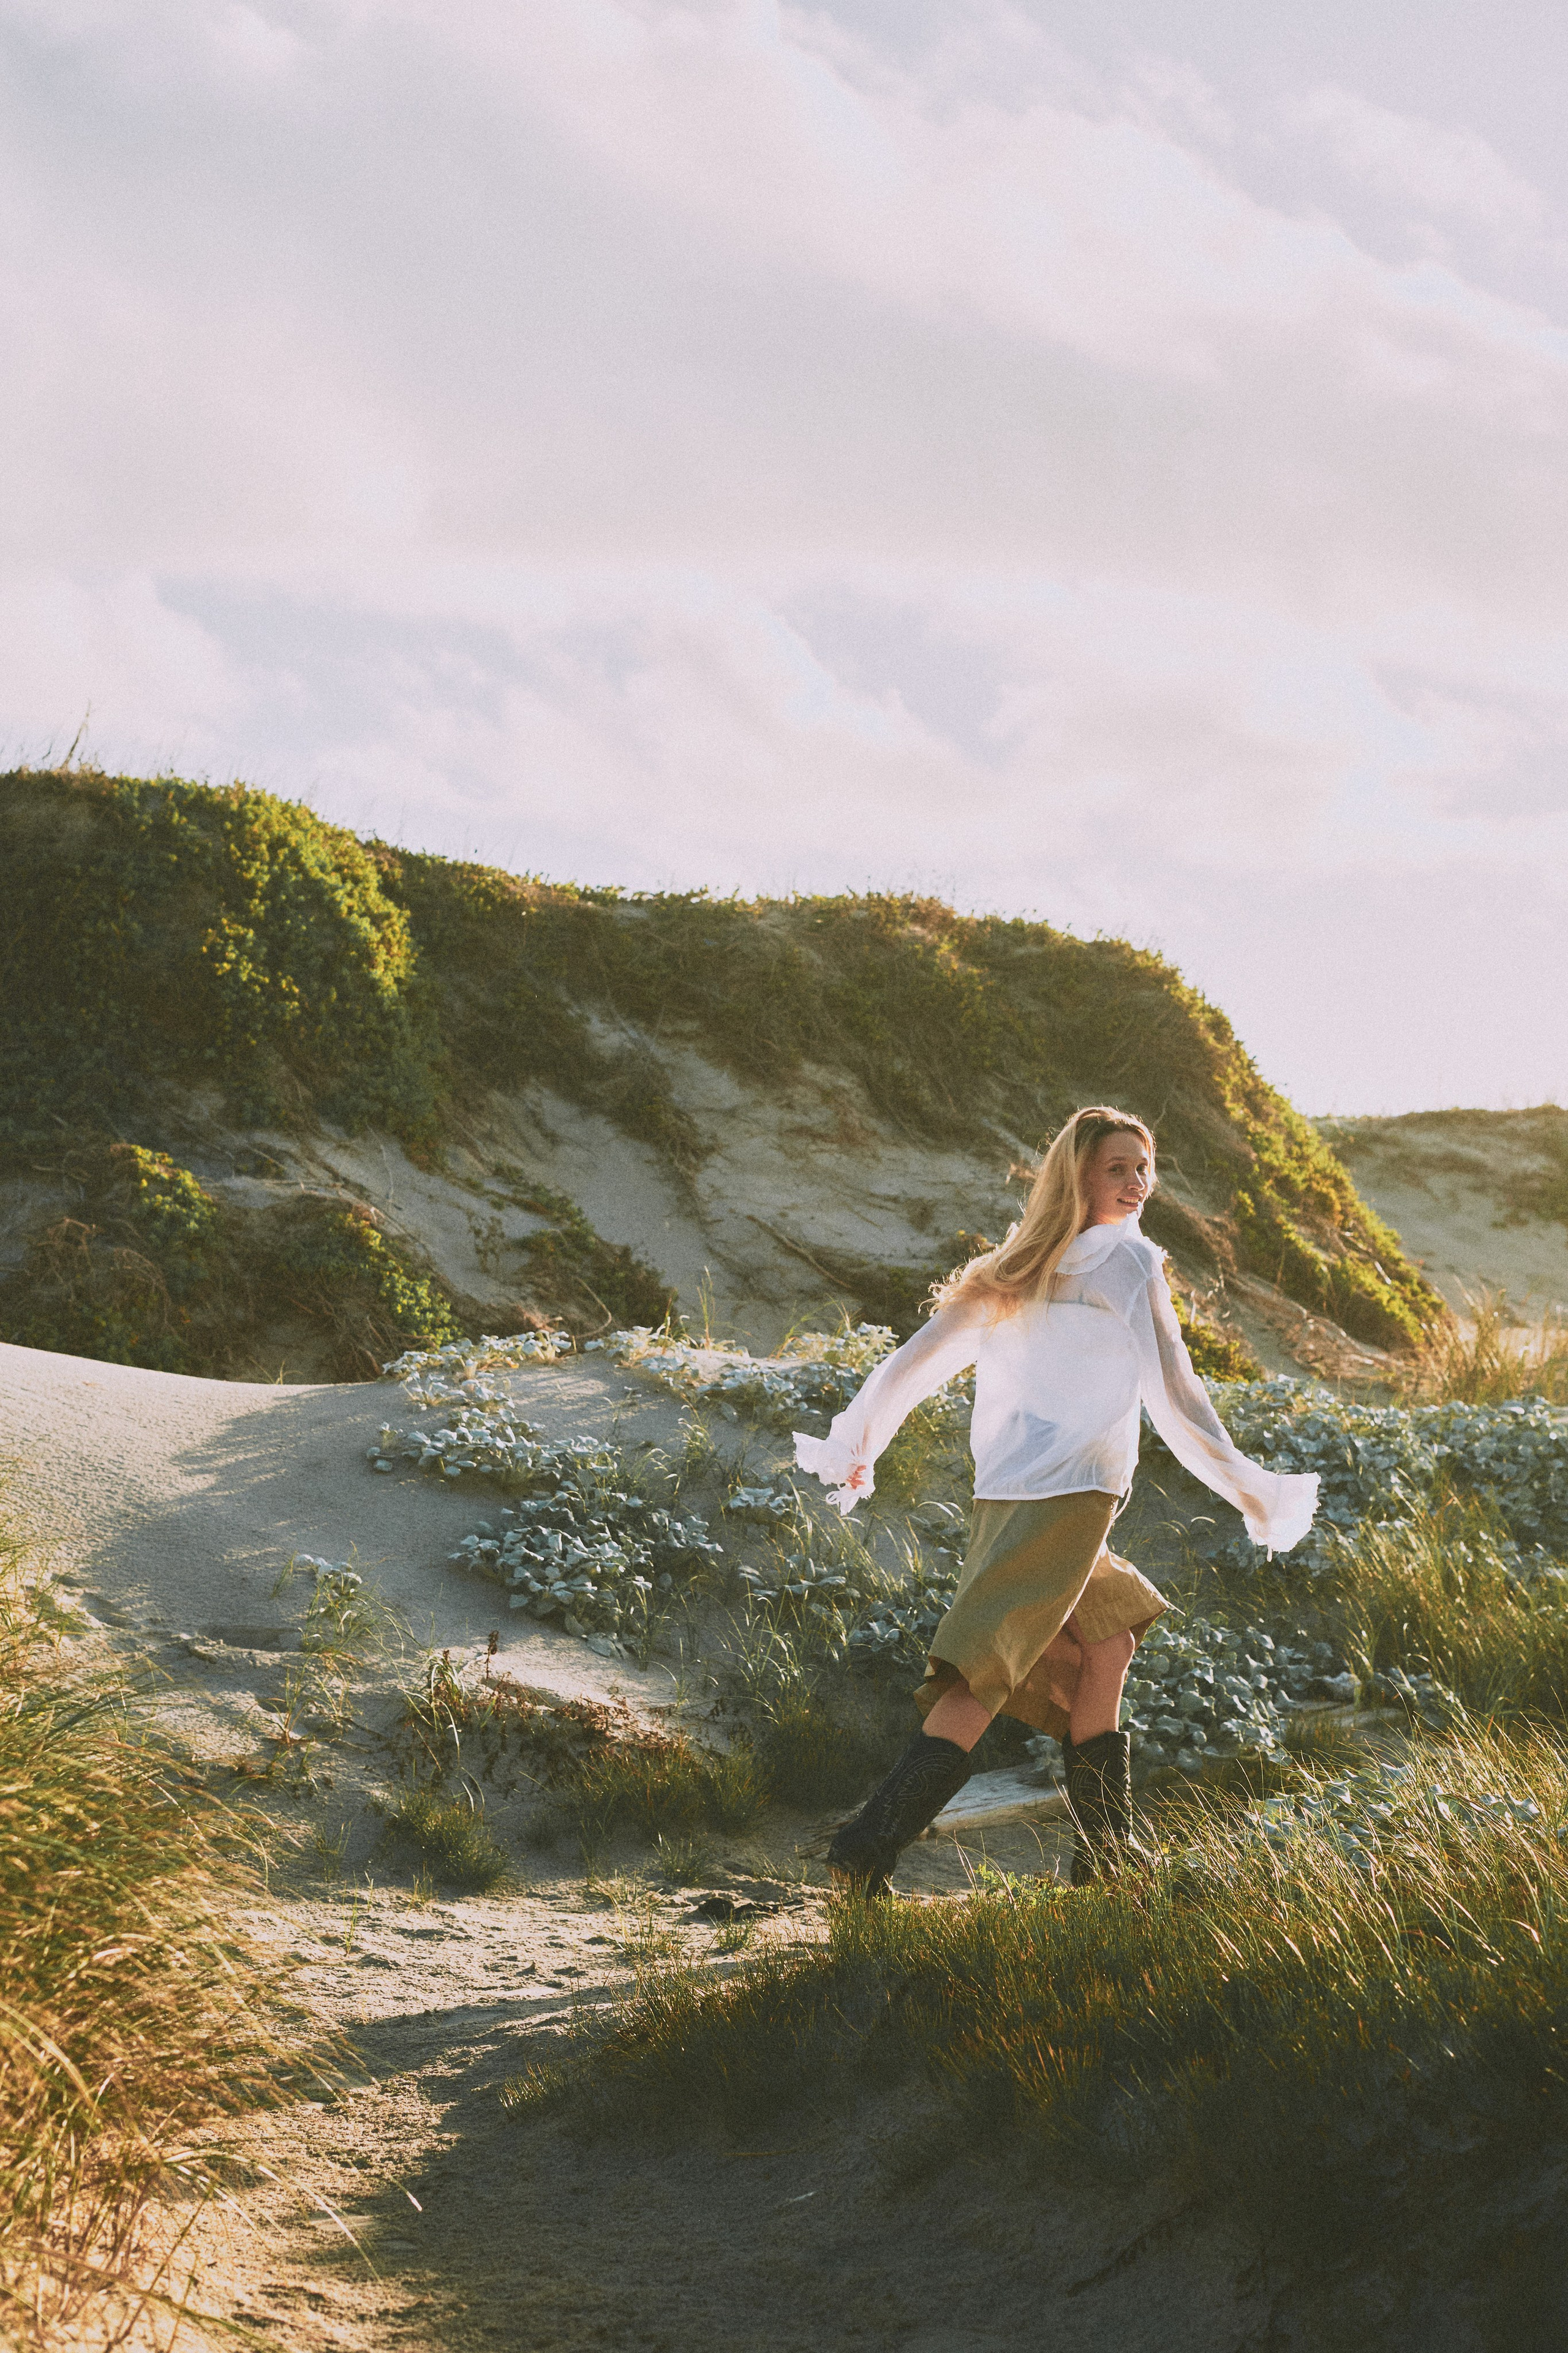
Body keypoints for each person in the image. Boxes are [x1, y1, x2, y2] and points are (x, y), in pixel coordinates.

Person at [794, 1105, 1319, 1894]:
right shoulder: (1119, 1265)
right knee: (983, 1673)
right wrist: (1250, 1487)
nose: (1138, 1183)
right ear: (1079, 1175)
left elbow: (916, 1359)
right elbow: (1175, 1390)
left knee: (1107, 1643)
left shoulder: (1022, 1262)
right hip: (1069, 1494)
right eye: (1118, 1168)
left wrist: (859, 1441)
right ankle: (864, 1849)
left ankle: (1106, 1858)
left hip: (1017, 1492)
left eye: (1145, 1167)